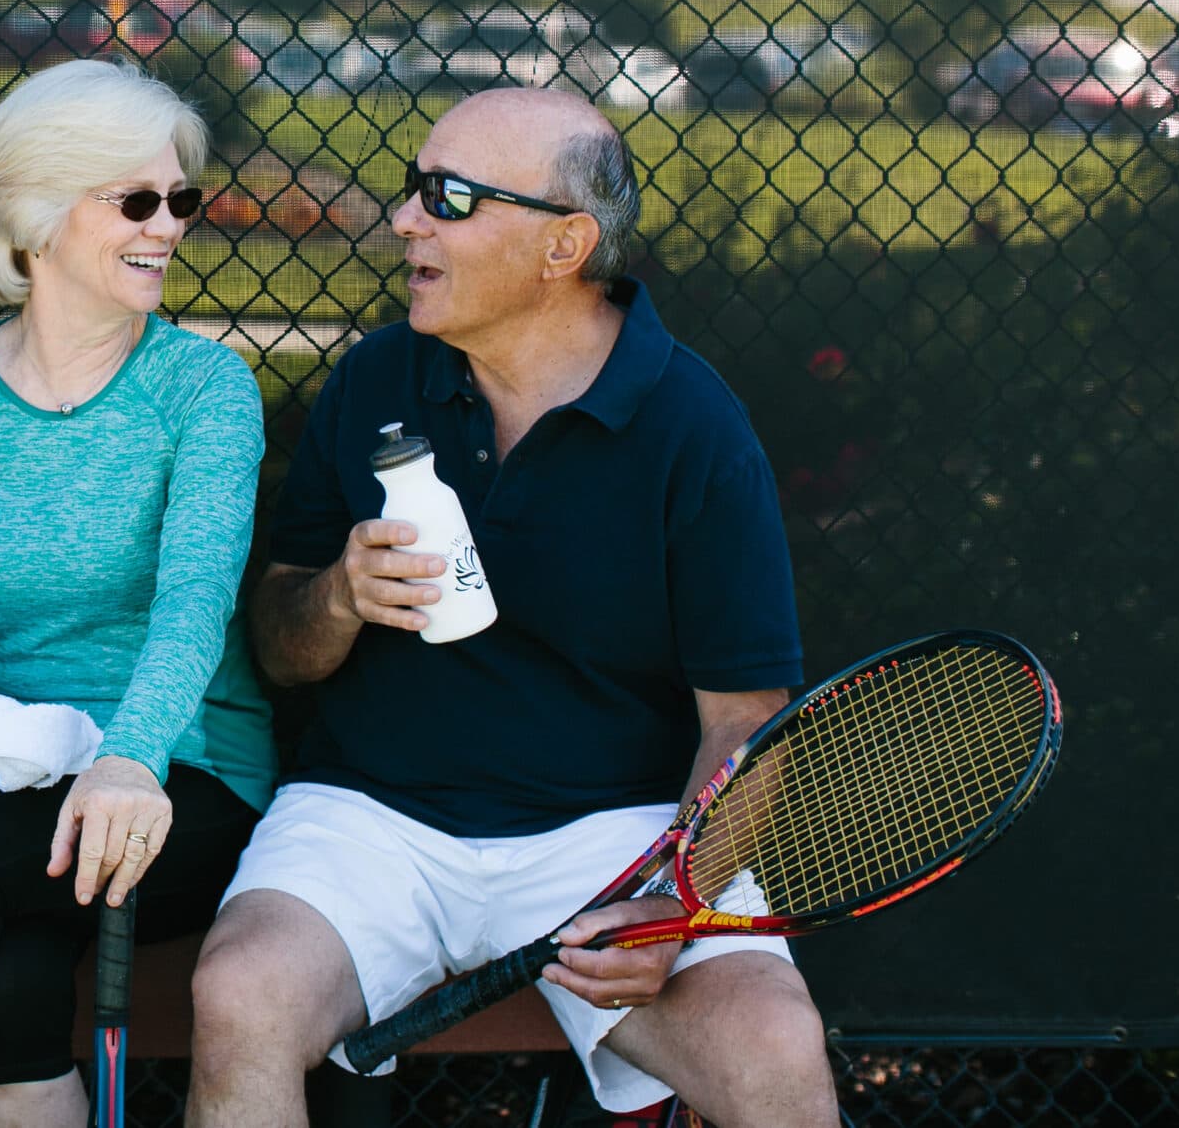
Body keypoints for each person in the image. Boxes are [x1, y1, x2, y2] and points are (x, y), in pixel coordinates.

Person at [187, 87, 837, 1128]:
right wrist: (340, 597)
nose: (404, 220)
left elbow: (744, 717)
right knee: (240, 997)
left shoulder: (692, 427)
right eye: (412, 190)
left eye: (446, 197)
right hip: (373, 819)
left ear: (562, 245)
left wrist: (671, 904)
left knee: (772, 1043)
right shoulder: (374, 379)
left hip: (614, 833)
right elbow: (281, 649)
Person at [0, 58, 275, 1128]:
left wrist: (131, 760)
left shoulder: (203, 386)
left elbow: (194, 606)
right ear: (35, 219)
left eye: (180, 198)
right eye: (134, 199)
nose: (169, 226)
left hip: (182, 772)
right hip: (17, 772)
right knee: (14, 985)